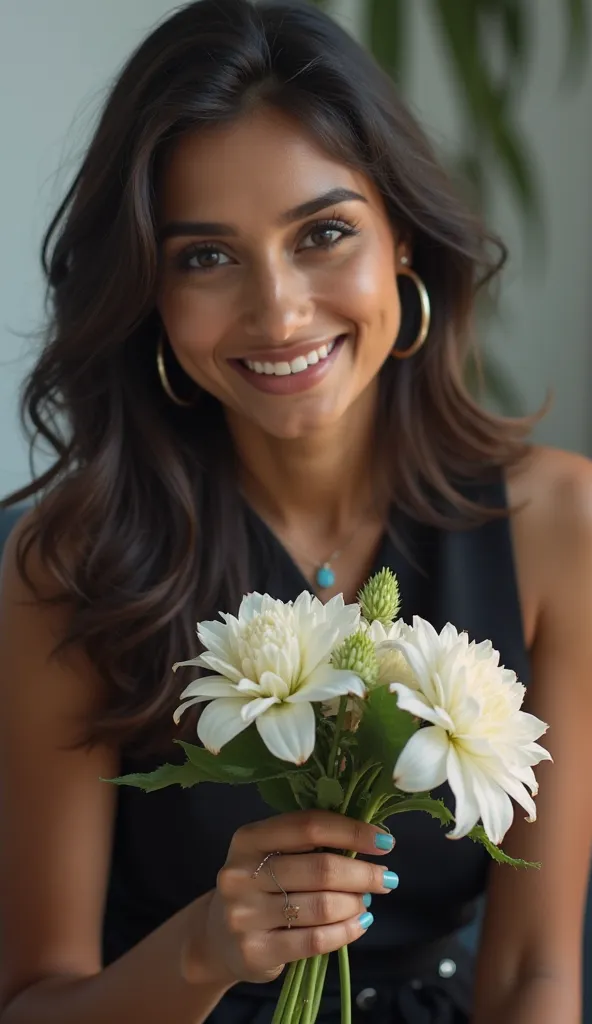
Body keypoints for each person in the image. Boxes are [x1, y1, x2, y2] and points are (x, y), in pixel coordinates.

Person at [0, 0, 590, 1021]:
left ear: (400, 236)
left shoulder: (559, 522)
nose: (277, 311)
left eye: (321, 233)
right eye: (207, 256)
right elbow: (31, 1002)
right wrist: (202, 949)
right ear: (149, 290)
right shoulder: (67, 569)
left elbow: (535, 970)